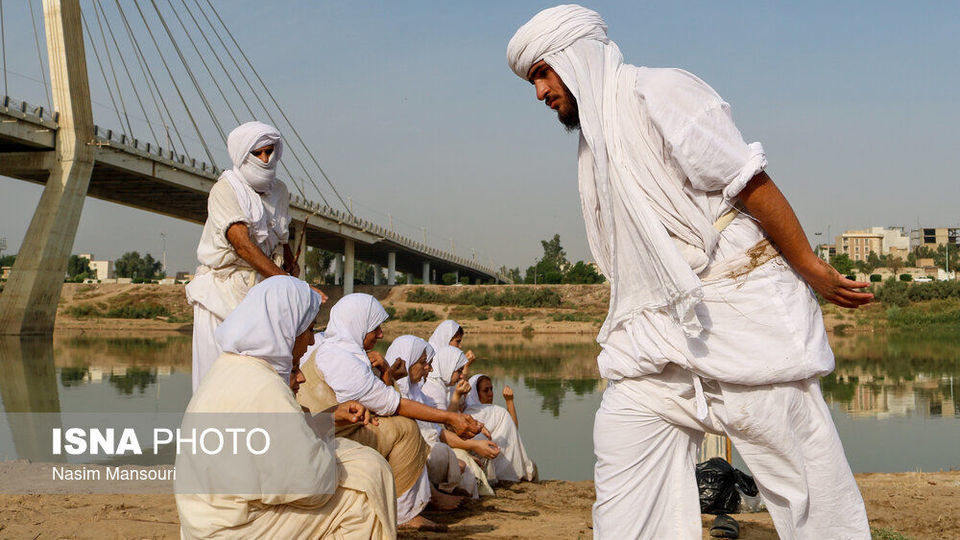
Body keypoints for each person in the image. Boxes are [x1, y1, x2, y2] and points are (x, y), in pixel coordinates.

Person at [507, 5, 871, 538]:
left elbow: (748, 182)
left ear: (574, 57)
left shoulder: (660, 93)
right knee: (622, 440)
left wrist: (810, 267)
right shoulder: (596, 142)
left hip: (736, 313)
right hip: (655, 330)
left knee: (805, 484)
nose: (539, 92)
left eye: (541, 72)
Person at [175, 275, 395, 539]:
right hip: (231, 529)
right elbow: (310, 488)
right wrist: (333, 462)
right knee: (364, 485)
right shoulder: (263, 385)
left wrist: (327, 422)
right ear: (288, 329)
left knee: (353, 459)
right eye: (310, 329)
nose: (312, 341)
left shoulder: (230, 367)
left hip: (204, 521)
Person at [297, 293, 484, 531]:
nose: (381, 334)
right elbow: (391, 403)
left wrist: (387, 374)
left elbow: (379, 399)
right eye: (375, 328)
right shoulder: (339, 358)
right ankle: (403, 514)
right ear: (357, 325)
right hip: (326, 434)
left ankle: (417, 500)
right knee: (405, 428)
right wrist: (451, 417)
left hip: (330, 428)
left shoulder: (339, 350)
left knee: (402, 424)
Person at [185, 121, 326, 391]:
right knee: (216, 378)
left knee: (260, 376)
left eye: (269, 151)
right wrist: (292, 286)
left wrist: (290, 269)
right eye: (257, 153)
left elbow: (283, 240)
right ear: (241, 155)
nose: (265, 159)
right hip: (221, 293)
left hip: (259, 294)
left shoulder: (280, 191)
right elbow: (243, 246)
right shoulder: (225, 190)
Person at [388, 335, 482, 498]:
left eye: (429, 363)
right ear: (407, 362)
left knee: (456, 462)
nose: (429, 369)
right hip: (408, 456)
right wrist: (471, 445)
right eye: (423, 363)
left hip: (429, 449)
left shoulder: (417, 392)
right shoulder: (392, 394)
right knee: (443, 454)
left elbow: (437, 431)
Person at [463, 374, 537, 483]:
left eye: (491, 389)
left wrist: (509, 401)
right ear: (475, 393)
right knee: (531, 467)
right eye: (485, 390)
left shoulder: (494, 411)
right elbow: (514, 428)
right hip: (490, 465)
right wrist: (509, 402)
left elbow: (512, 432)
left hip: (501, 463)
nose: (490, 394)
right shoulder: (468, 415)